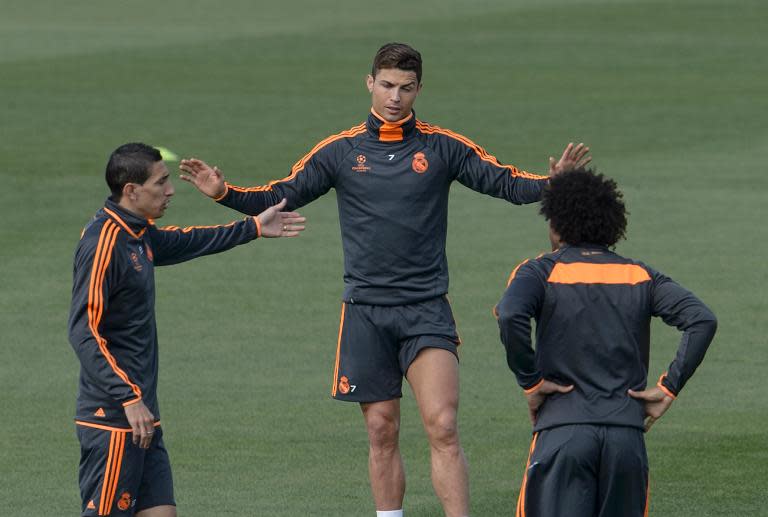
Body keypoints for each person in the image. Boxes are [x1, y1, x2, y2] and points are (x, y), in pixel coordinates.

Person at [179, 43, 590, 517]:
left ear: (419, 89)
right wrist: (224, 194)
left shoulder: (443, 146)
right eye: (388, 85)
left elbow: (505, 183)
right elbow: (281, 195)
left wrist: (551, 182)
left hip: (425, 309)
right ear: (370, 83)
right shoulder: (339, 152)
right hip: (365, 312)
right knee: (381, 430)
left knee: (443, 425)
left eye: (407, 88)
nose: (396, 97)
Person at [68, 142, 305, 517]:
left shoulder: (136, 233)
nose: (171, 190)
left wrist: (254, 227)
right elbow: (83, 330)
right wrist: (127, 397)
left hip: (144, 416)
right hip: (114, 417)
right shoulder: (104, 243)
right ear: (131, 190)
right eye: (161, 183)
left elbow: (186, 241)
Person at [495, 168, 717, 517]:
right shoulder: (639, 275)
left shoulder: (539, 271)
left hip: (562, 432)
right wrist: (668, 387)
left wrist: (531, 382)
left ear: (556, 222)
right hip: (625, 440)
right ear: (610, 223)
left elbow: (509, 314)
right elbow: (701, 320)